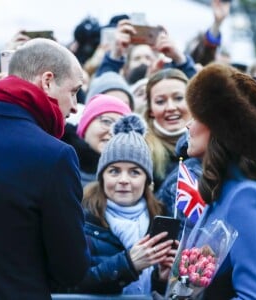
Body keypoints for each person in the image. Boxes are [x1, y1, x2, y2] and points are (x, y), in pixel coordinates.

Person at [0, 38, 90, 299]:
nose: (74, 106)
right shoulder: (53, 156)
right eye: (74, 91)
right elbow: (71, 269)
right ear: (47, 81)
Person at [185, 63, 256, 299]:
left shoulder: (247, 197)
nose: (188, 125)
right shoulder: (222, 192)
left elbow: (255, 296)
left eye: (196, 116)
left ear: (220, 129)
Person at [65, 114, 177, 296]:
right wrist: (129, 263)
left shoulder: (161, 218)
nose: (123, 180)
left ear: (147, 180)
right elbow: (73, 283)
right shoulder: (81, 217)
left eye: (134, 172)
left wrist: (161, 279)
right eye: (114, 171)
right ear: (101, 177)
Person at [62, 94, 132, 187]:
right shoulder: (58, 163)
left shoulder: (134, 177)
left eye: (121, 127)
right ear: (85, 126)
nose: (112, 131)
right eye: (106, 121)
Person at [144, 68, 191, 191]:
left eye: (179, 98)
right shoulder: (143, 149)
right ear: (150, 111)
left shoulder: (211, 143)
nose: (170, 107)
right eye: (160, 101)